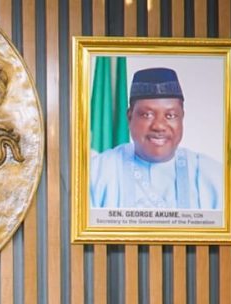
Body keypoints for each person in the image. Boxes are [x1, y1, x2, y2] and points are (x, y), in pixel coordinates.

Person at [89, 67, 223, 210]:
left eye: (170, 116)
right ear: (129, 117)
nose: (159, 126)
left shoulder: (213, 176)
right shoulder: (96, 173)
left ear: (182, 118)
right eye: (147, 115)